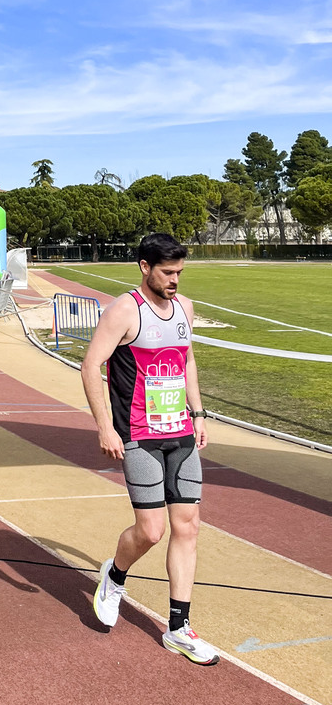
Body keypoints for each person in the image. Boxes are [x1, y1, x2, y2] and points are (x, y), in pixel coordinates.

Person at [81, 233, 218, 666]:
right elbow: (91, 365)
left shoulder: (185, 308)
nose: (175, 280)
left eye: (180, 272)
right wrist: (105, 427)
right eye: (167, 272)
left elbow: (187, 360)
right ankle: (115, 575)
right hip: (138, 434)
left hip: (180, 432)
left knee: (189, 526)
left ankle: (178, 628)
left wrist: (198, 414)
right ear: (145, 267)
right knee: (151, 531)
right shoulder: (125, 309)